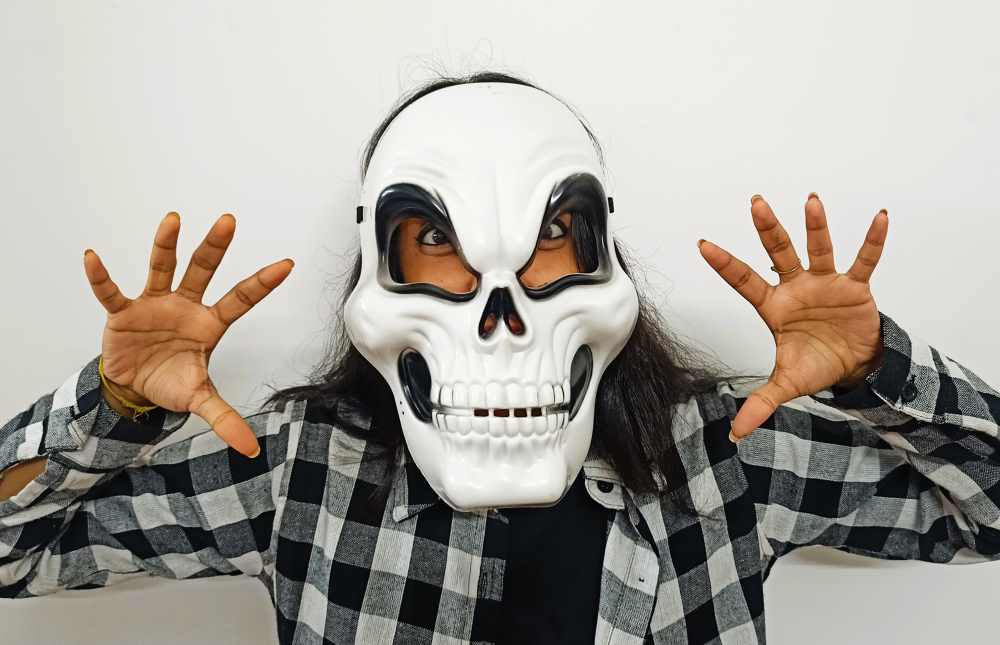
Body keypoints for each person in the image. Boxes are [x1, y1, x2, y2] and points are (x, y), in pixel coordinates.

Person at [1, 71, 998, 645]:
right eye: (435, 240)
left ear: (606, 257)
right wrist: (114, 406)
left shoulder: (731, 453)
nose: (501, 317)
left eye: (554, 235)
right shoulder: (298, 469)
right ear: (372, 274)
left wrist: (878, 373)